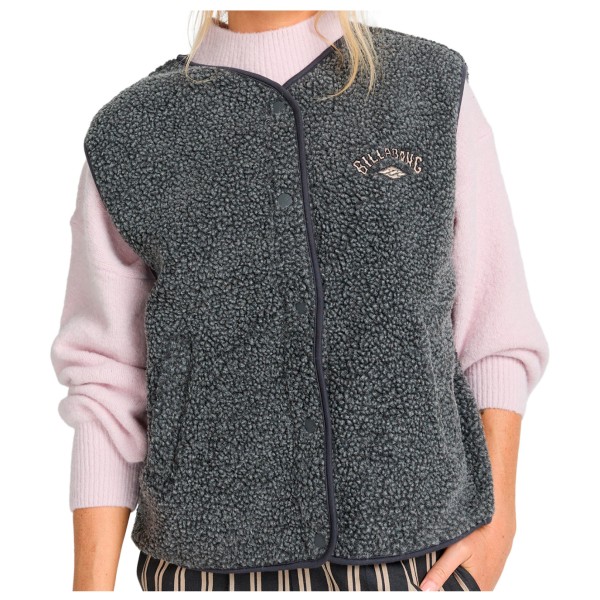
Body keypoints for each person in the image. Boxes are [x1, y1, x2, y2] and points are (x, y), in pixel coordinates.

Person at [50, 10, 549, 592]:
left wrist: (500, 520)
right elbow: (105, 381)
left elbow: (495, 326)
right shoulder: (132, 132)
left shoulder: (427, 85)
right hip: (205, 569)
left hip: (421, 563)